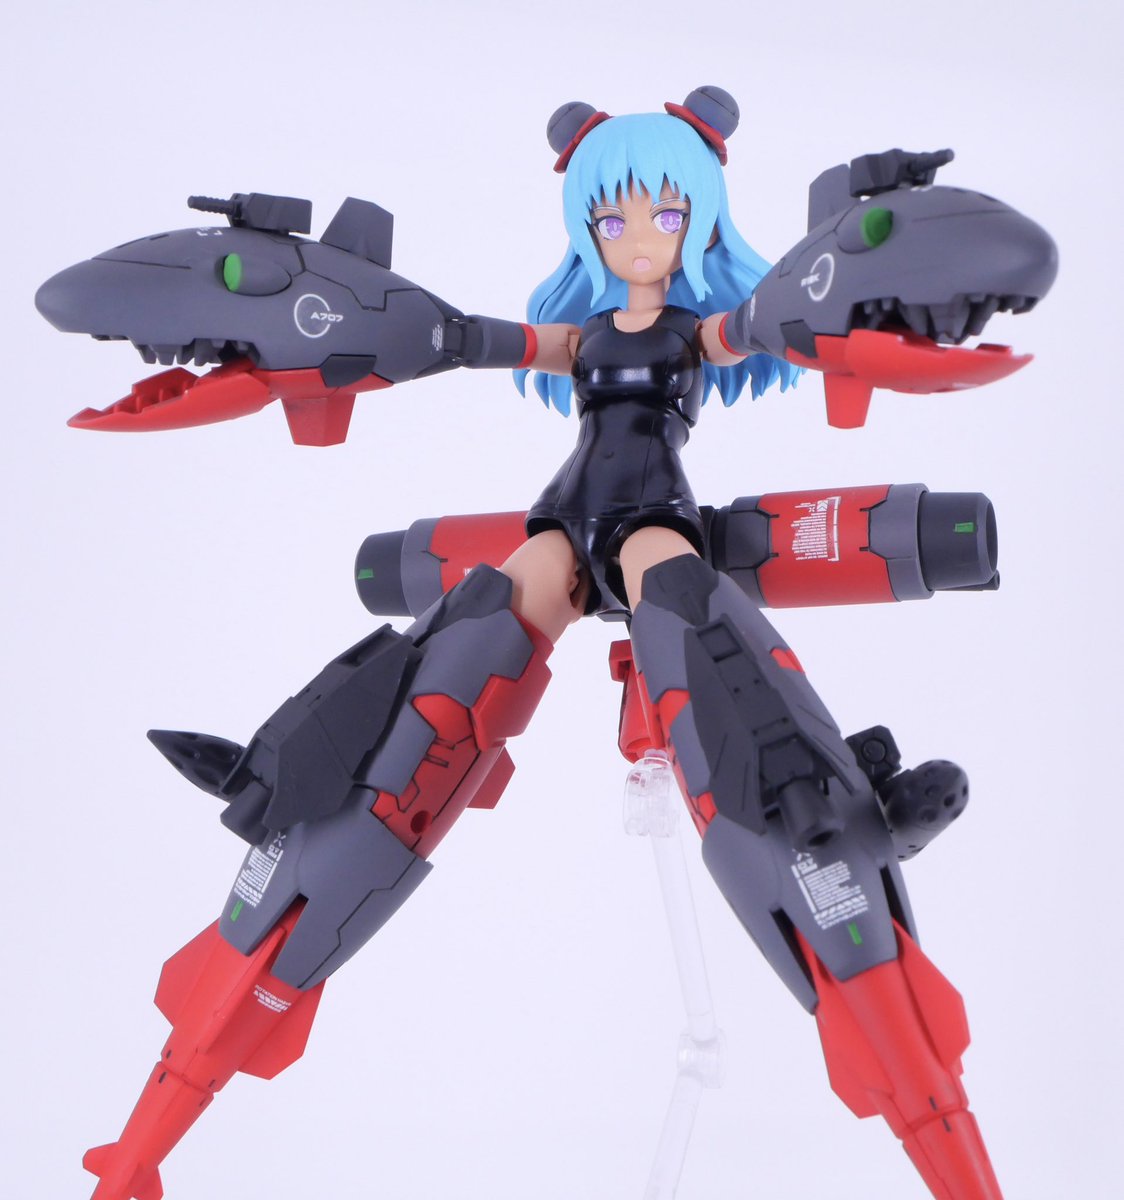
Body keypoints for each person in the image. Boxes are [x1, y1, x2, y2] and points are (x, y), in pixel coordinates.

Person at [83, 90, 1004, 1200]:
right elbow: (476, 340)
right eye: (612, 218)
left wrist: (846, 287)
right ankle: (160, 1101)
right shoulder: (579, 337)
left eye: (666, 213)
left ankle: (839, 860)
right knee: (448, 671)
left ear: (701, 218)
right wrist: (341, 313)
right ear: (584, 227)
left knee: (706, 656)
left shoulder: (695, 334)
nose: (638, 236)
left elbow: (759, 328)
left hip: (654, 520)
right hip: (560, 520)